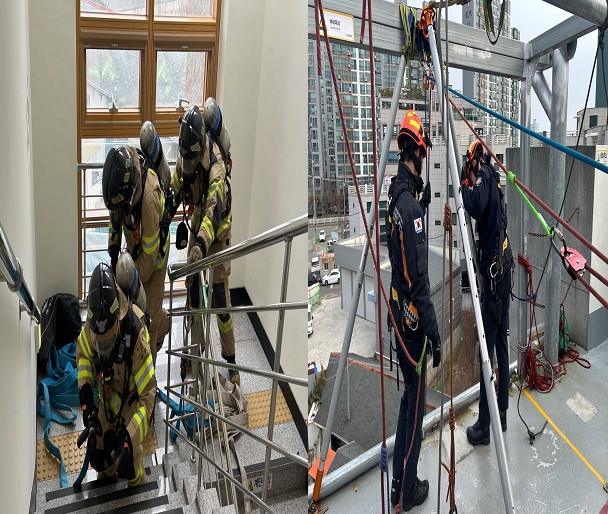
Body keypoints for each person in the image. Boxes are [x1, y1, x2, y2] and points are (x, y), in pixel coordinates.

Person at [386, 110, 441, 511]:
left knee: (409, 398)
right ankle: (407, 490)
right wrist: (435, 333)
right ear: (418, 152)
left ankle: (397, 481)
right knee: (417, 408)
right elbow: (419, 282)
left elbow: (401, 247)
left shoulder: (397, 197)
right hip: (412, 323)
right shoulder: (410, 210)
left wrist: (419, 204)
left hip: (397, 311)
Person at [174, 104, 238, 385]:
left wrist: (200, 243)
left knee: (220, 301)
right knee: (193, 295)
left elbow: (214, 208)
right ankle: (193, 351)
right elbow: (176, 183)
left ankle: (231, 360)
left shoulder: (216, 166)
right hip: (197, 225)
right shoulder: (186, 152)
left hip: (217, 234)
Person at [77, 263, 156, 486]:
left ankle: (138, 485)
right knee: (98, 455)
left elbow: (149, 396)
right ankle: (107, 474)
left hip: (131, 401)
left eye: (107, 344)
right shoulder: (94, 323)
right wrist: (86, 401)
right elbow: (83, 356)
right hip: (107, 397)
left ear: (117, 323)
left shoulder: (136, 333)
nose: (103, 351)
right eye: (99, 345)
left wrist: (130, 435)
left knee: (129, 461)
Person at [460, 140, 513, 446]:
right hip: (503, 275)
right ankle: (501, 414)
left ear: (473, 163)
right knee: (502, 349)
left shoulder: (483, 176)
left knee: (486, 353)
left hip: (494, 282)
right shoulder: (495, 180)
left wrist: (462, 188)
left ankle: (483, 425)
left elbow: (474, 204)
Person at [102, 144, 171, 366]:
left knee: (147, 321)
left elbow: (149, 258)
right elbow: (115, 219)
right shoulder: (120, 183)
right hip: (136, 245)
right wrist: (114, 251)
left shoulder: (148, 197)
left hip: (155, 259)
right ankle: (162, 319)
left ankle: (149, 375)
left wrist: (130, 285)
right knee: (132, 305)